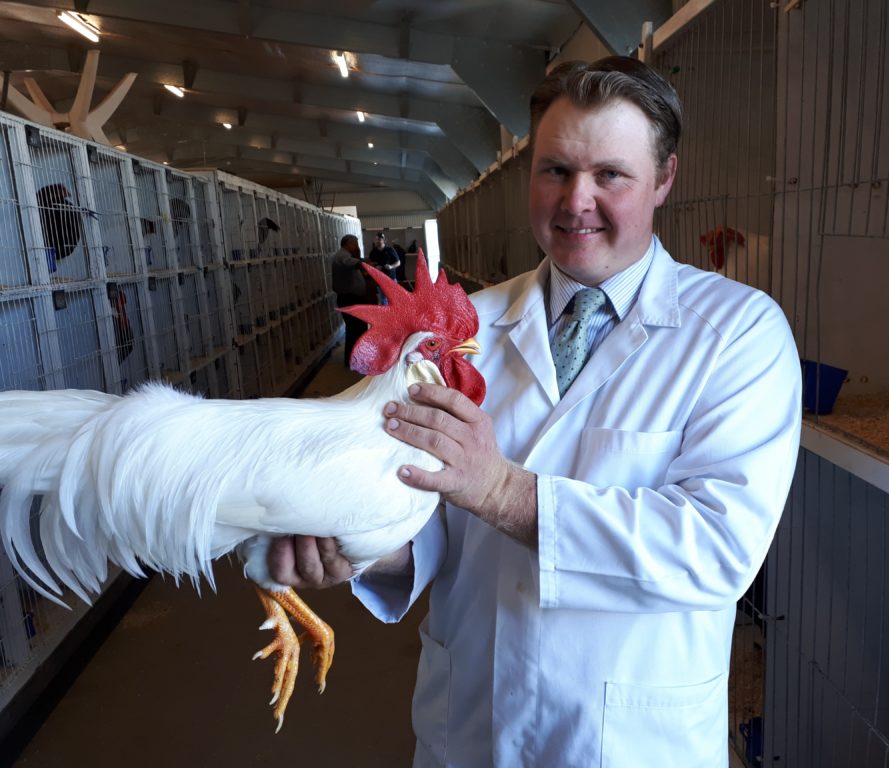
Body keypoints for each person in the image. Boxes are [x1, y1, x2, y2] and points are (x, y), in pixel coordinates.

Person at [270, 56, 802, 767]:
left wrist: (500, 490)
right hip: (472, 727)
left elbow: (715, 550)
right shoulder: (466, 324)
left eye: (610, 174)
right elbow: (432, 523)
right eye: (555, 170)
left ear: (665, 178)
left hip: (625, 740)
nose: (575, 201)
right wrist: (366, 547)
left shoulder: (737, 333)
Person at [331, 234, 370, 366]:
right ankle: (354, 360)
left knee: (357, 329)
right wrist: (365, 263)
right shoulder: (341, 256)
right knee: (355, 329)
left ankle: (356, 359)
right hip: (349, 299)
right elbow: (353, 263)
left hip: (353, 298)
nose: (356, 247)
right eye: (355, 243)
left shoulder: (346, 255)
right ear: (348, 243)